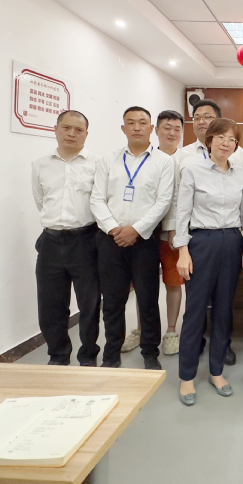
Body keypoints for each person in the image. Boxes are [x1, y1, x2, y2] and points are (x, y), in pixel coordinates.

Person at [174, 119, 243, 405]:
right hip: (201, 243)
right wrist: (183, 251)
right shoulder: (193, 171)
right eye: (220, 137)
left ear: (236, 145)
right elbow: (182, 213)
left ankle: (216, 372)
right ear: (209, 140)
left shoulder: (242, 175)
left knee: (223, 310)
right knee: (195, 311)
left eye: (231, 139)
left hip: (232, 242)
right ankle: (186, 377)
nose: (225, 143)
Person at [90, 106, 175, 370]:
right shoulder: (108, 160)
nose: (137, 127)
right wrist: (113, 229)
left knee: (148, 299)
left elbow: (163, 201)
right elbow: (96, 198)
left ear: (151, 129)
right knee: (113, 300)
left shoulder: (164, 162)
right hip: (111, 239)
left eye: (142, 122)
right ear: (123, 128)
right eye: (131, 122)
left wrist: (136, 230)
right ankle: (111, 353)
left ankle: (150, 352)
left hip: (144, 241)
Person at [31, 110, 100, 367]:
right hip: (50, 242)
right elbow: (41, 201)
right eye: (66, 128)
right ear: (56, 129)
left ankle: (88, 356)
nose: (71, 133)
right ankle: (58, 355)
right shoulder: (40, 165)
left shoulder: (97, 164)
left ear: (86, 134)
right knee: (50, 304)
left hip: (86, 240)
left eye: (78, 130)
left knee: (89, 303)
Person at [119, 111, 187, 357]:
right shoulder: (143, 159)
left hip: (171, 234)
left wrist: (175, 228)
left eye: (177, 129)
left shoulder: (187, 160)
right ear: (155, 130)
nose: (172, 133)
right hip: (143, 233)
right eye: (167, 128)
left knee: (173, 283)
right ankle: (141, 330)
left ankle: (171, 331)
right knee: (143, 284)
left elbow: (182, 200)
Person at [182, 98, 243, 168]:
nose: (201, 122)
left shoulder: (237, 152)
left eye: (207, 117)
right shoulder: (182, 154)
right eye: (196, 118)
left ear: (218, 121)